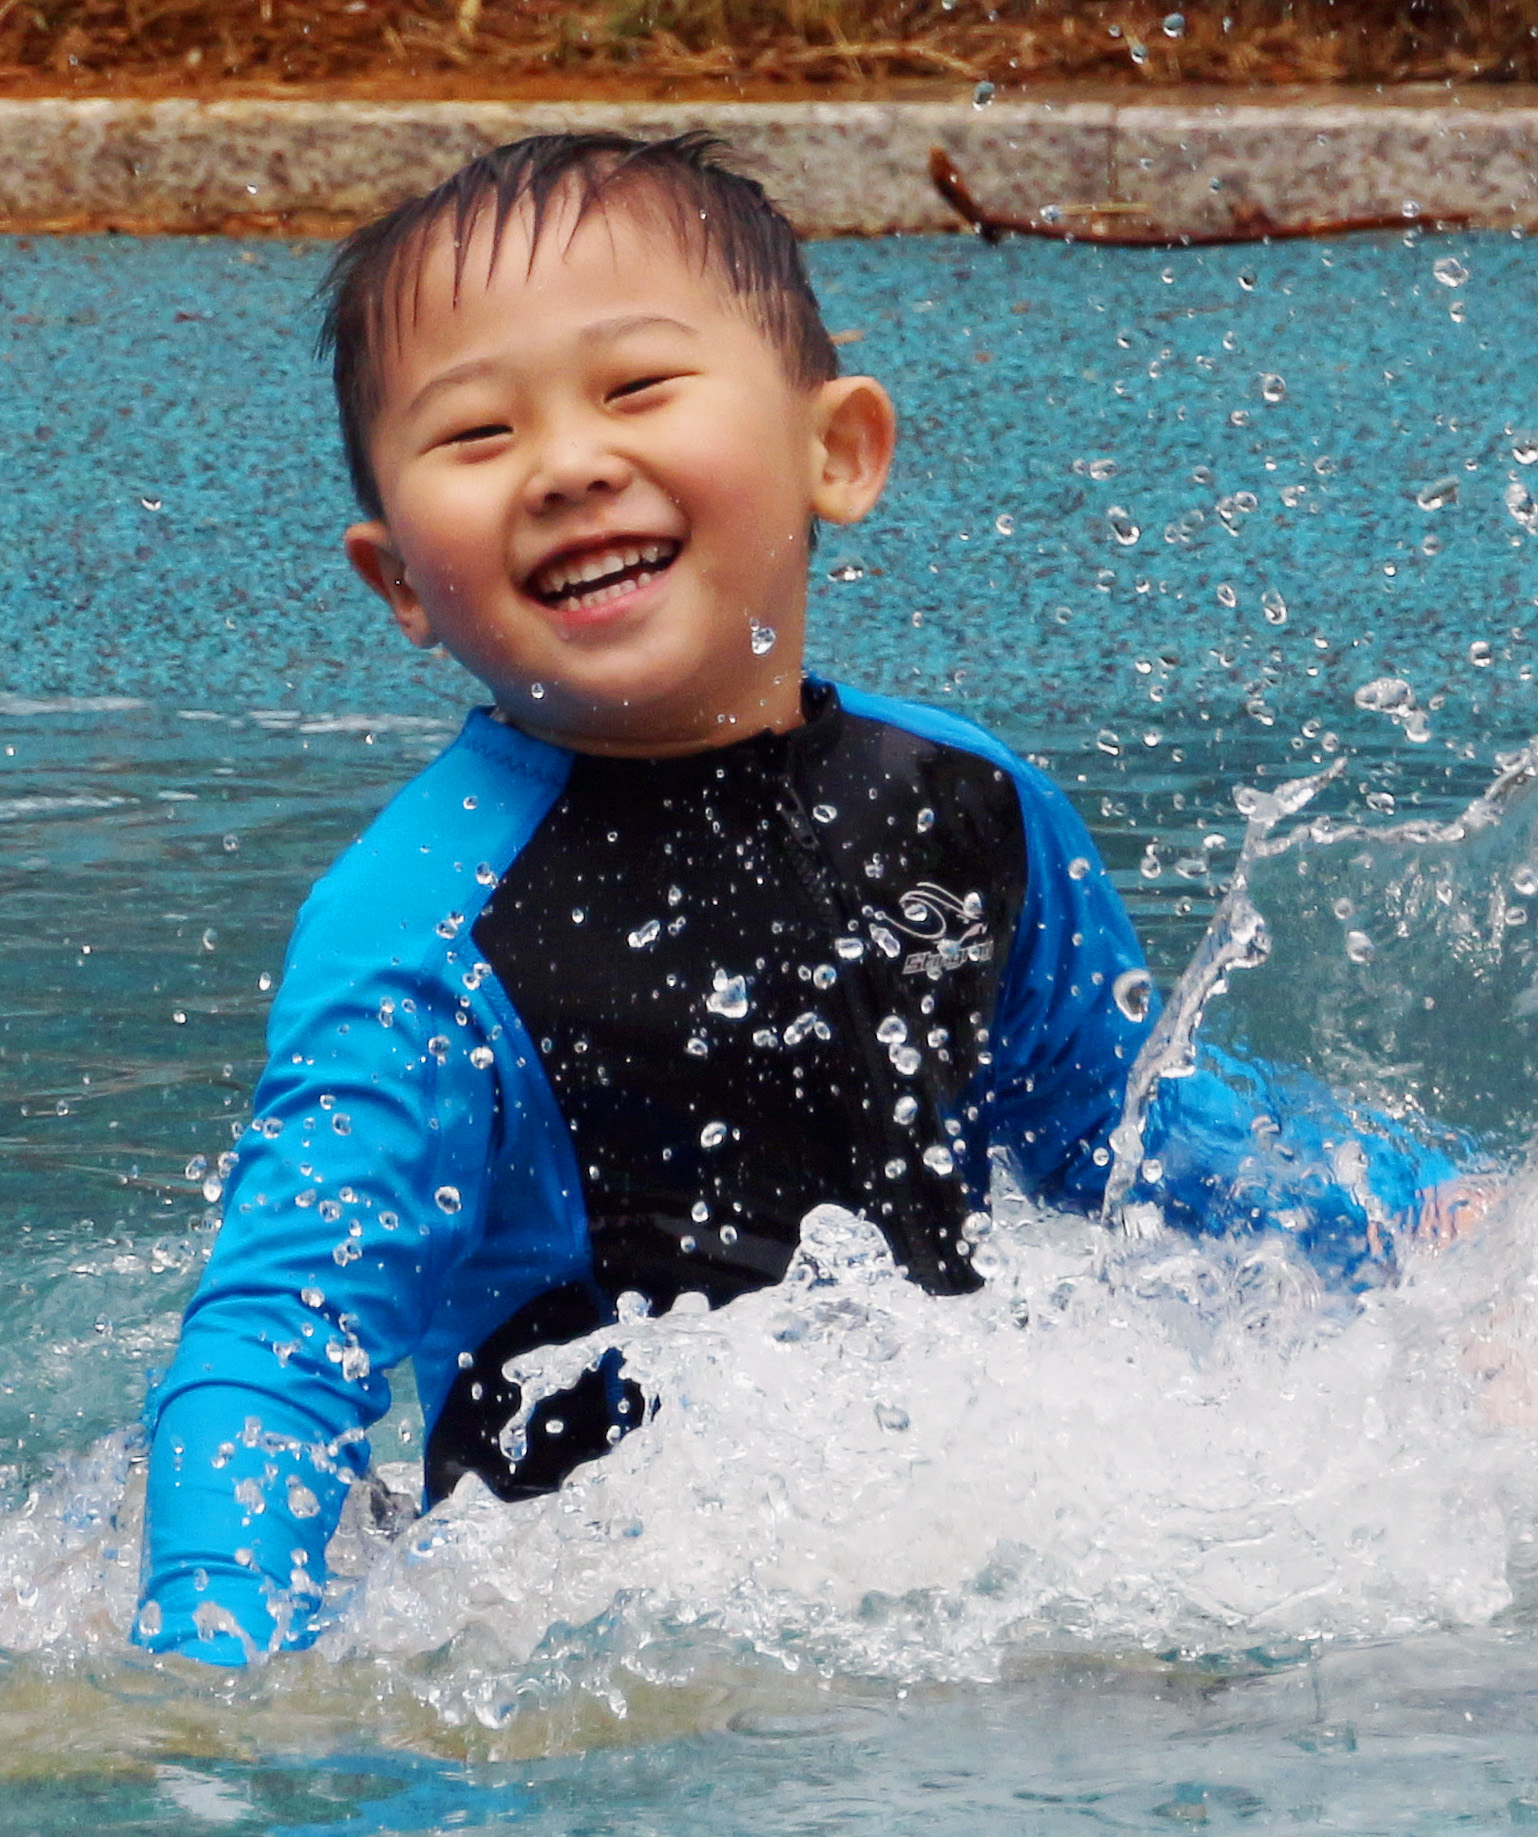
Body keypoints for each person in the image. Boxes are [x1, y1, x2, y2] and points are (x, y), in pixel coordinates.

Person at [136, 132, 1468, 1666]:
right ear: (400, 586)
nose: (570, 463)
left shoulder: (967, 809)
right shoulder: (419, 933)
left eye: (636, 389)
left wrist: (1452, 1218)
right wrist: (214, 1662)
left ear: (838, 450)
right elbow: (288, 1339)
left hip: (957, 1567)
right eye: (478, 434)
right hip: (586, 1650)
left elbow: (1130, 1133)